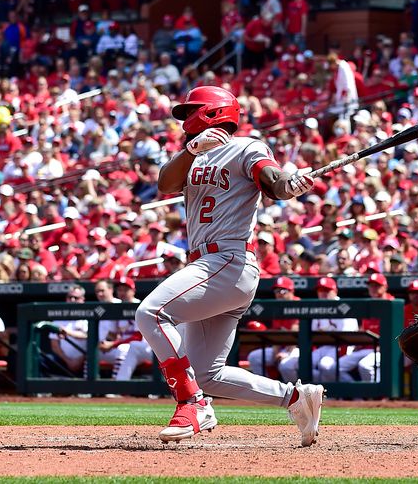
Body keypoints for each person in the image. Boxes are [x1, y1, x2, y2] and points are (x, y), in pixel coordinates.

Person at [134, 85, 323, 446]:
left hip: (228, 260)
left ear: (211, 113)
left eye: (190, 111)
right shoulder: (193, 156)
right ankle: (298, 398)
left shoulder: (246, 146)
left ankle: (191, 403)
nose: (183, 120)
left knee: (151, 313)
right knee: (206, 373)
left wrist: (291, 183)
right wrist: (192, 150)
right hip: (208, 266)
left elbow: (274, 183)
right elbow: (164, 182)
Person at [337, 273, 393, 383]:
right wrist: (358, 343)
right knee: (336, 367)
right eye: (371, 285)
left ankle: (375, 395)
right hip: (366, 348)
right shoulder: (369, 304)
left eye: (377, 285)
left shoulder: (392, 303)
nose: (373, 288)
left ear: (385, 287)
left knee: (365, 365)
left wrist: (386, 346)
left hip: (384, 349)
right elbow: (364, 329)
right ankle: (358, 395)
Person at [247, 276, 300, 379]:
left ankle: (295, 392)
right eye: (276, 291)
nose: (279, 293)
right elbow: (276, 334)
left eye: (283, 290)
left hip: (297, 347)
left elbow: (295, 335)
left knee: (285, 366)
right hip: (281, 346)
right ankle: (264, 389)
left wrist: (285, 353)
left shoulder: (297, 303)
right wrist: (276, 353)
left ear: (291, 291)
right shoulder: (277, 306)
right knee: (254, 357)